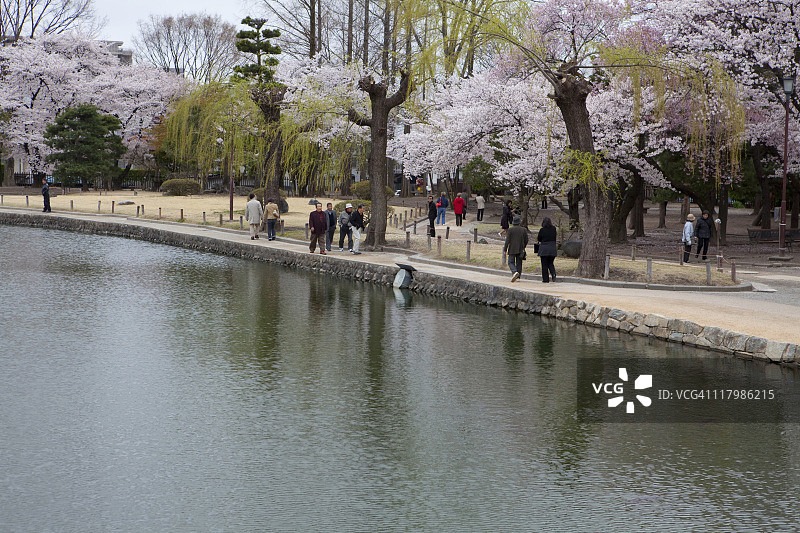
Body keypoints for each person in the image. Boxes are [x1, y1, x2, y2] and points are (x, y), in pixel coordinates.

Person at [503, 216, 528, 282]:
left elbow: (507, 240)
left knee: (510, 262)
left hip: (512, 248)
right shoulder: (524, 230)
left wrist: (505, 249)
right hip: (520, 248)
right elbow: (526, 240)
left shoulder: (510, 230)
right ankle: (518, 277)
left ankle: (514, 272)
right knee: (519, 263)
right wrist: (524, 246)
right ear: (519, 222)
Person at [537, 217, 558, 283]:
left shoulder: (542, 230)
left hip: (544, 249)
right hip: (552, 248)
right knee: (550, 263)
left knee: (544, 264)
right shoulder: (554, 229)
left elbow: (539, 239)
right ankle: (553, 274)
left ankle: (545, 279)